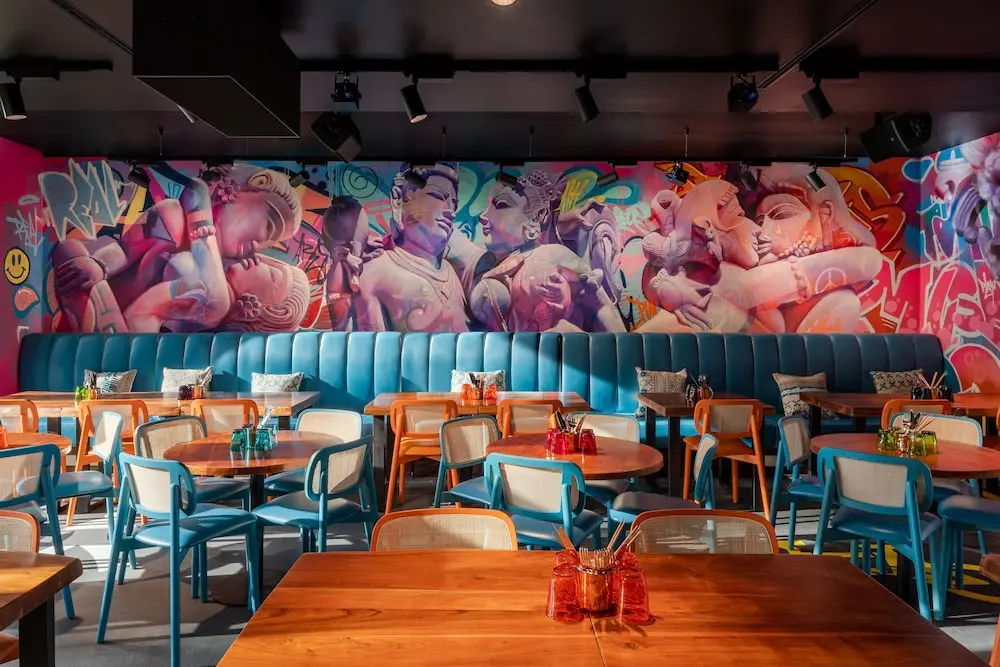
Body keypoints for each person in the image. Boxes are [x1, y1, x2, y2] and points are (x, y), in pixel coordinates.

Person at [51, 163, 303, 332]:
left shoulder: (218, 296)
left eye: (270, 245)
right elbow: (124, 250)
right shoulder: (170, 216)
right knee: (71, 251)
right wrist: (100, 264)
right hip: (98, 308)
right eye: (269, 227)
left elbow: (208, 304)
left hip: (129, 343)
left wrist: (200, 215)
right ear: (257, 182)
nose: (258, 249)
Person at [355, 163, 468, 332]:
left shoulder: (450, 272)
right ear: (399, 200)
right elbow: (372, 345)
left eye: (454, 203)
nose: (450, 212)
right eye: (437, 195)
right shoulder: (376, 273)